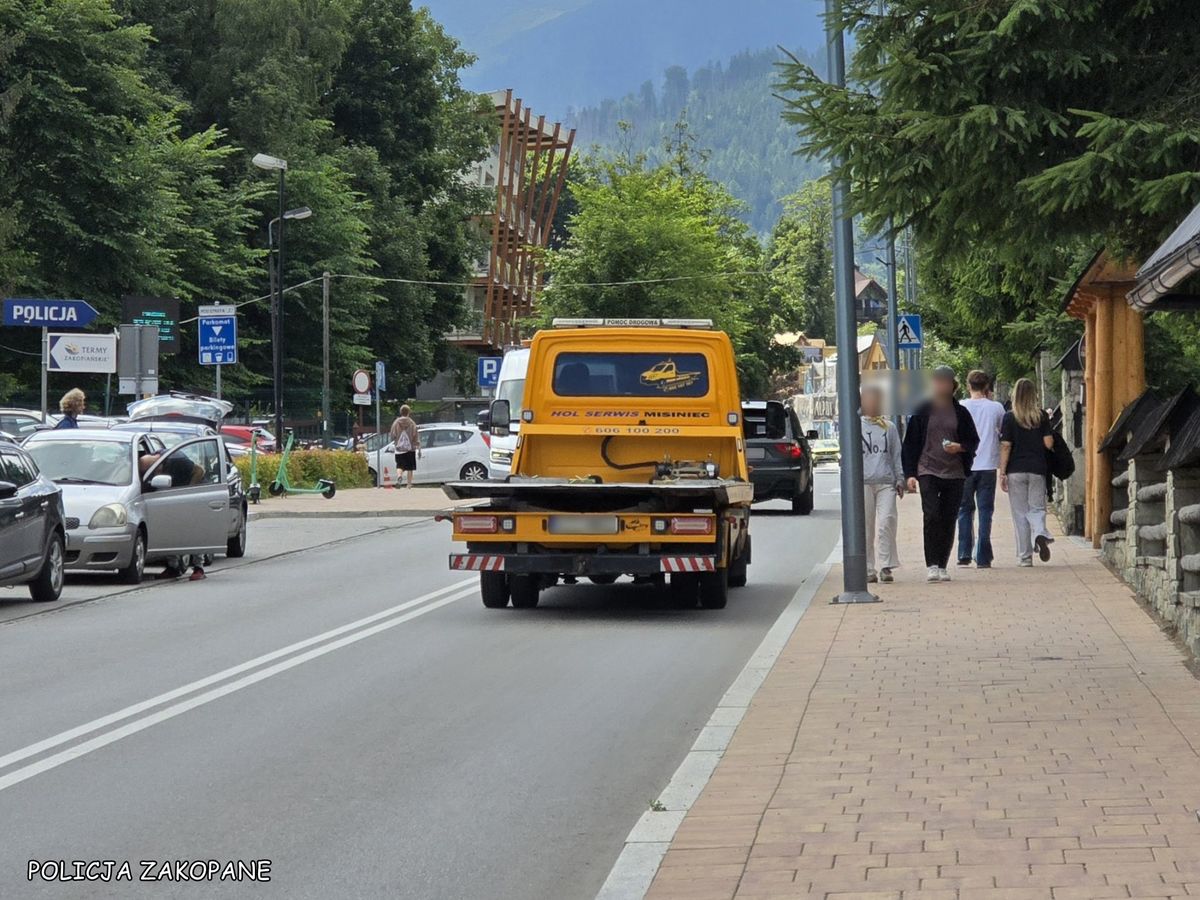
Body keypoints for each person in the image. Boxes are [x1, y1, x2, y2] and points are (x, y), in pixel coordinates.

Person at [902, 365, 980, 583]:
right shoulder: (922, 409)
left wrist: (960, 447)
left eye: (945, 381)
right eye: (937, 381)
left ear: (952, 384)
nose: (941, 385)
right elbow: (910, 444)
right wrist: (910, 474)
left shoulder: (961, 412)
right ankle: (932, 564)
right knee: (931, 515)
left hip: (954, 472)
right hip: (927, 469)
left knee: (948, 518)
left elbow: (973, 441)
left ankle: (943, 564)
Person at [1000, 377, 1055, 566]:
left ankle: (1025, 557)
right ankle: (1039, 532)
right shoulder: (1041, 416)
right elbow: (1048, 443)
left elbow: (1006, 446)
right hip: (1037, 469)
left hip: (1015, 470)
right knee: (1037, 508)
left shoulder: (1008, 417)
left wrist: (1002, 472)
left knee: (1019, 513)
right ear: (1034, 395)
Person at [957, 370, 1006, 568]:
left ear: (968, 386)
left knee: (964, 509)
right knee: (986, 511)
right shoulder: (996, 408)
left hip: (966, 464)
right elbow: (1003, 432)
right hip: (987, 465)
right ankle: (983, 555)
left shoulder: (960, 406)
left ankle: (964, 553)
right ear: (987, 387)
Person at [860, 383, 905, 584]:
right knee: (866, 525)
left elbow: (896, 454)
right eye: (869, 398)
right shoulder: (855, 426)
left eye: (876, 399)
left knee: (887, 521)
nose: (873, 403)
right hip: (863, 482)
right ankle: (868, 568)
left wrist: (900, 478)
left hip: (886, 481)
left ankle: (886, 565)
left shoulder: (890, 427)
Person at [388, 404, 421, 488]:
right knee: (410, 467)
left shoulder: (396, 423)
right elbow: (415, 436)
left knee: (400, 465)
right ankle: (409, 484)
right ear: (408, 412)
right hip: (410, 449)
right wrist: (418, 447)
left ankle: (399, 476)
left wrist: (396, 440)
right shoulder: (412, 423)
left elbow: (392, 435)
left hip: (399, 449)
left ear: (400, 412)